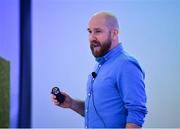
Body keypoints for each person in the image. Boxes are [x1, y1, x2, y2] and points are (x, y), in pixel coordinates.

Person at [51, 11, 147, 128]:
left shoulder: (126, 65)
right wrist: (72, 103)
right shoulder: (100, 65)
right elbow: (97, 112)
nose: (92, 37)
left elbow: (136, 113)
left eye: (98, 31)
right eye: (90, 32)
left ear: (114, 33)